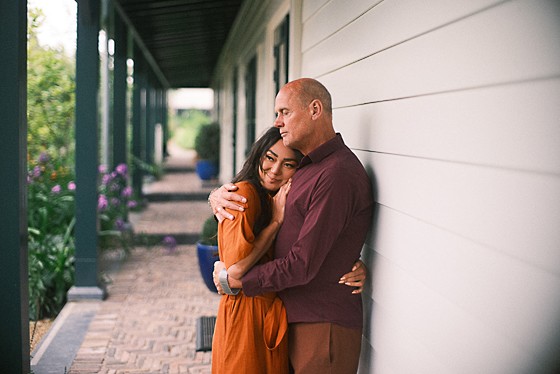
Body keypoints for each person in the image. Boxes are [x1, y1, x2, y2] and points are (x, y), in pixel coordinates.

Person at [210, 77, 374, 373]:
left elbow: (303, 263)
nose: (278, 121)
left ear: (314, 109)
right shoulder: (308, 166)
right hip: (293, 318)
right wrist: (217, 196)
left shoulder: (336, 173)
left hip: (322, 325)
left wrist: (240, 281)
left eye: (285, 112)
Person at [211, 127, 303, 373]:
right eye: (270, 158)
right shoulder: (243, 194)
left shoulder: (278, 199)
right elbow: (235, 269)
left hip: (270, 314)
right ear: (258, 155)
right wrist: (274, 223)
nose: (274, 171)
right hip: (245, 314)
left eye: (288, 164)